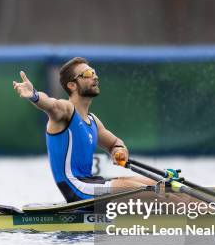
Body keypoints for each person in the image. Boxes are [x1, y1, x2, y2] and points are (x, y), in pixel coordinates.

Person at [13, 56, 155, 202]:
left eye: (94, 73)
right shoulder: (66, 110)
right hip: (76, 189)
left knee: (158, 185)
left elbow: (114, 143)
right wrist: (35, 95)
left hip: (91, 183)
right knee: (135, 188)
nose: (95, 77)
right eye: (87, 74)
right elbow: (50, 104)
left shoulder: (93, 120)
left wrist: (119, 151)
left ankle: (173, 210)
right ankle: (175, 214)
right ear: (72, 85)